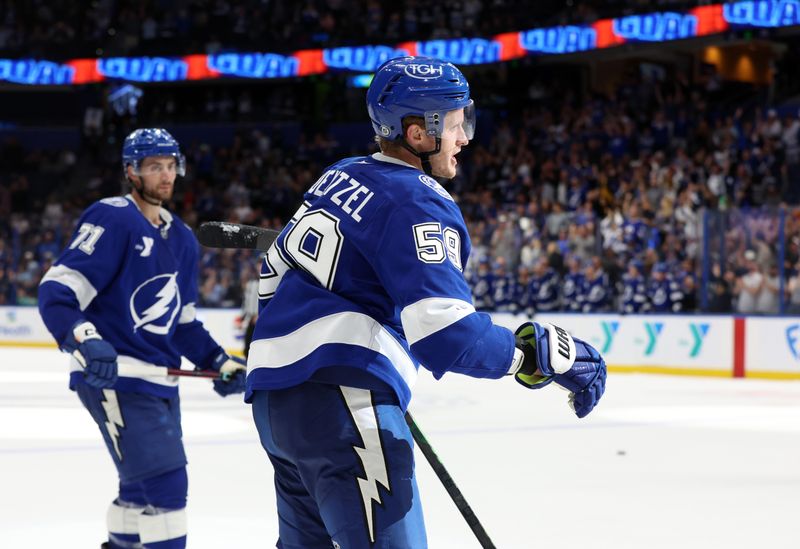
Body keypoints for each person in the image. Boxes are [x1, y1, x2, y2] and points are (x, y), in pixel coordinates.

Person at [245, 56, 607, 549]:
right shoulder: (416, 199)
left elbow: (272, 279)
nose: (465, 138)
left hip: (275, 405)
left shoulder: (338, 175)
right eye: (457, 125)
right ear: (419, 134)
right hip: (344, 403)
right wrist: (537, 353)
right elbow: (445, 335)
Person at [37, 128, 247, 549]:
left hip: (160, 385)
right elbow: (57, 292)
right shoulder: (112, 218)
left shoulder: (183, 238)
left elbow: (182, 324)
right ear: (131, 171)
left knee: (138, 489)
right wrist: (85, 338)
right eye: (154, 167)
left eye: (170, 166)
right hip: (117, 381)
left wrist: (220, 361)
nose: (165, 176)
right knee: (168, 488)